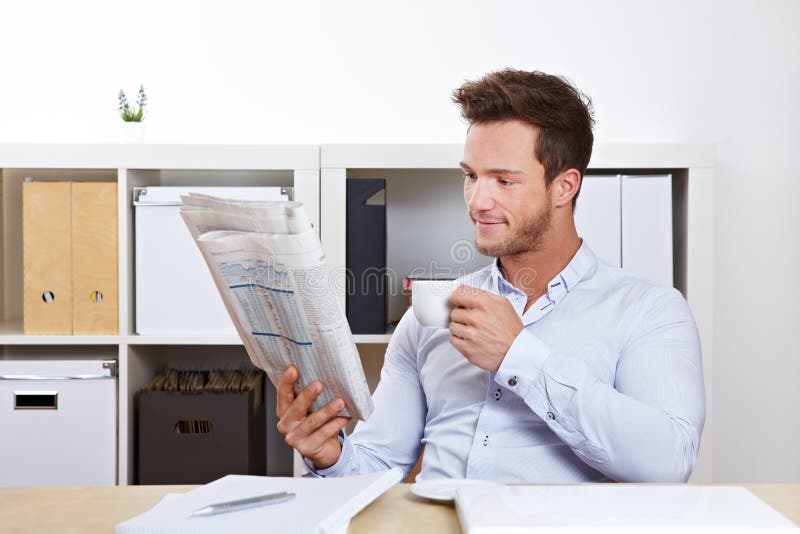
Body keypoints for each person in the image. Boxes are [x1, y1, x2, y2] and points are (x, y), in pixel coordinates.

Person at [275, 68, 706, 483]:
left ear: (564, 186)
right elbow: (379, 462)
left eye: (503, 180)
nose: (478, 200)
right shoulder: (431, 316)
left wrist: (518, 356)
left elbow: (669, 460)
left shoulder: (649, 310)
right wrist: (330, 455)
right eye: (470, 176)